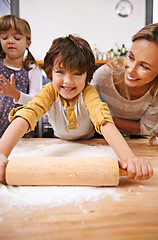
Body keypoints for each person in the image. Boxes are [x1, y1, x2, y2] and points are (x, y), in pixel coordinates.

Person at [0, 34, 153, 182]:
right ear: (50, 72)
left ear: (87, 76)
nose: (68, 81)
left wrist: (129, 159)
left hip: (92, 142)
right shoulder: (48, 91)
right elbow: (28, 114)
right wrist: (1, 153)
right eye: (60, 72)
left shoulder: (88, 92)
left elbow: (104, 121)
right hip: (59, 141)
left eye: (77, 73)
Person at [91, 23, 158, 143]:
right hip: (111, 135)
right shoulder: (105, 75)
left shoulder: (156, 91)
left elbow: (145, 128)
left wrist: (106, 119)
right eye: (131, 57)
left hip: (144, 140)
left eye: (144, 66)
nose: (131, 70)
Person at [0, 14, 42, 137]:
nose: (10, 41)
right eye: (4, 37)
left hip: (23, 133)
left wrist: (15, 94)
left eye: (17, 38)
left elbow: (36, 101)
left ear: (28, 43)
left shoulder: (32, 69)